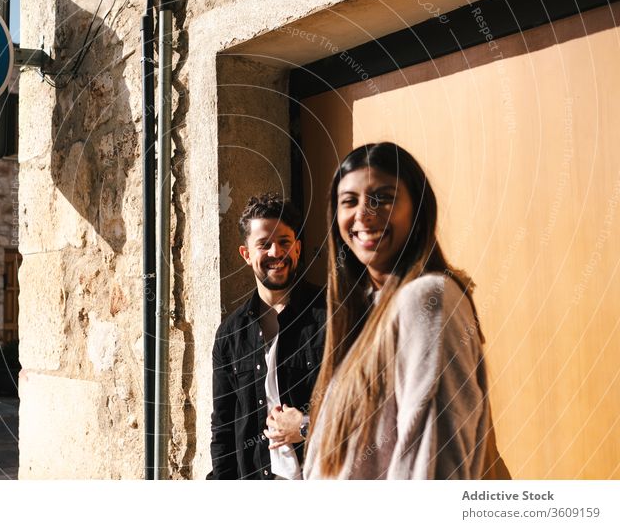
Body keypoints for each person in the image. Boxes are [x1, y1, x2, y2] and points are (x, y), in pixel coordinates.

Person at [303, 142, 510, 480]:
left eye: (382, 197)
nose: (363, 215)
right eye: (349, 202)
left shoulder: (426, 299)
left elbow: (436, 463)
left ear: (417, 208)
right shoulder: (369, 311)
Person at [209, 193, 326, 479]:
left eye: (284, 242)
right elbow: (223, 428)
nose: (276, 252)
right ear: (246, 255)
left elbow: (364, 411)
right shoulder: (230, 335)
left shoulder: (332, 316)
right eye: (264, 244)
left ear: (297, 249)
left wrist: (306, 427)